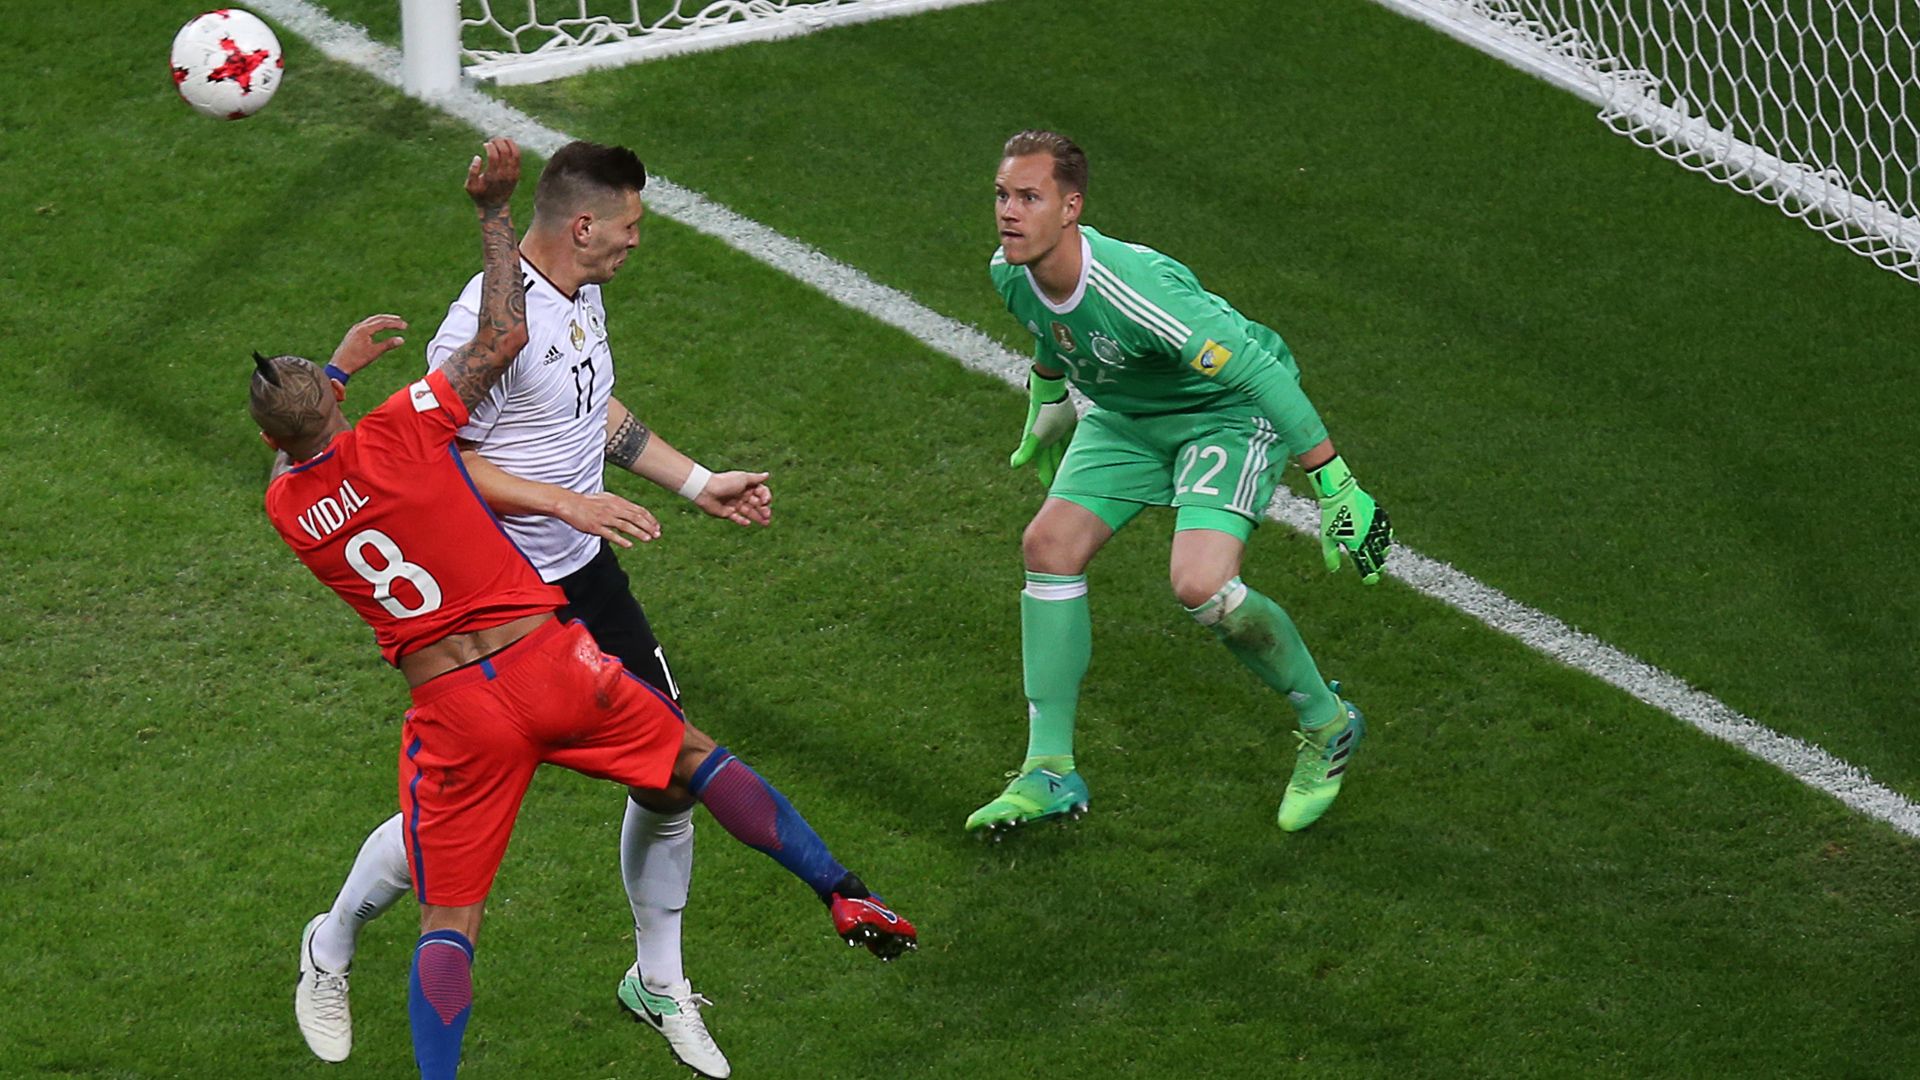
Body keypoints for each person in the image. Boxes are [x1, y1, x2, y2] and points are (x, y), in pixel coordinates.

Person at [257, 138, 915, 1080]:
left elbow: (586, 407)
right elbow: (444, 462)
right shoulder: (472, 330)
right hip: (503, 597)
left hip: (582, 578)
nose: (637, 243)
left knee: (671, 778)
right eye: (631, 227)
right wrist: (564, 501)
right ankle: (333, 939)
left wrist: (694, 482)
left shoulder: (581, 295)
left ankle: (657, 982)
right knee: (452, 846)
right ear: (582, 225)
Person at [966, 130, 1393, 838]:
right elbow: (1048, 327)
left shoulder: (1134, 291)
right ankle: (1048, 770)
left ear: (1071, 207)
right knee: (1047, 546)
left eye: (1029, 198)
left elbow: (1258, 371)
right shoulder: (1010, 272)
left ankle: (1328, 722)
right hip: (1130, 417)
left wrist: (1334, 482)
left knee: (1201, 586)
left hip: (1220, 417)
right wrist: (1048, 396)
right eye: (1002, 196)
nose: (1009, 212)